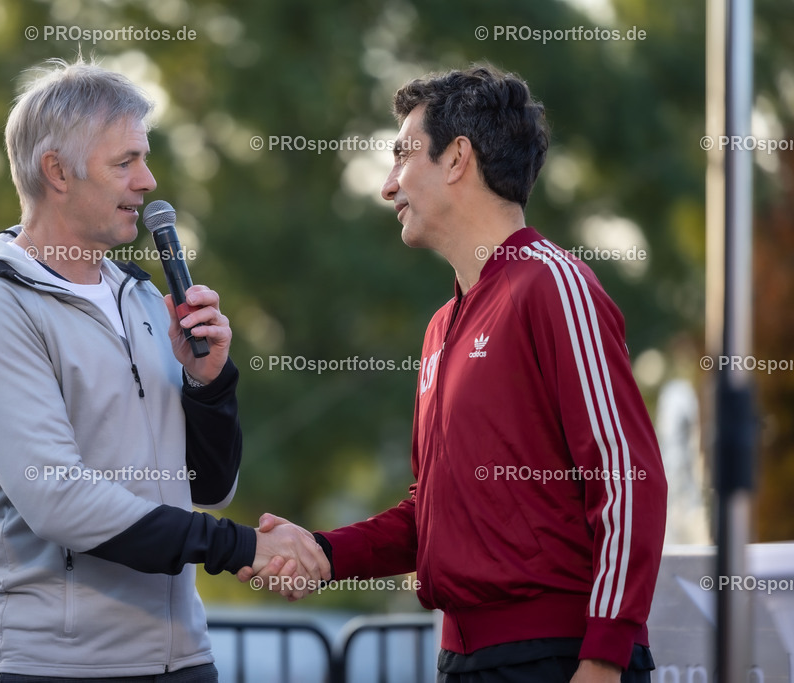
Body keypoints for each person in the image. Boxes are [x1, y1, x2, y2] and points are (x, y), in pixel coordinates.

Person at [242, 66, 668, 683]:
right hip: (463, 661)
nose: (388, 187)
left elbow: (629, 481)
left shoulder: (555, 285)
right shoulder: (442, 327)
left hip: (559, 659)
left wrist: (604, 660)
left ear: (457, 159)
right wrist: (323, 553)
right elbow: (432, 514)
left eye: (401, 158)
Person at [0, 58, 329, 682]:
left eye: (145, 157)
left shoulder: (138, 296)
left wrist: (209, 385)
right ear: (56, 171)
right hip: (51, 668)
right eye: (125, 162)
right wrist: (243, 549)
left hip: (183, 659)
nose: (148, 180)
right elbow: (60, 501)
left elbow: (209, 485)